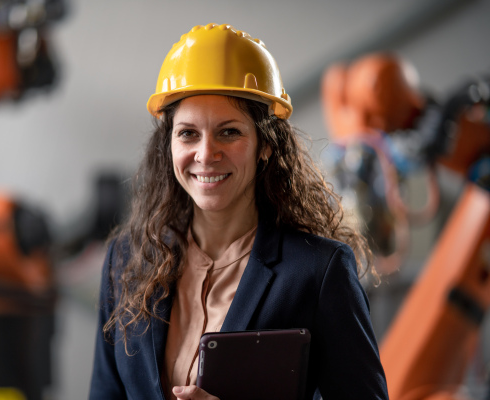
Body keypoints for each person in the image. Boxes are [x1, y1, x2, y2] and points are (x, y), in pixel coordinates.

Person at [89, 23, 389, 400]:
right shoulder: (126, 261)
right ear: (167, 144)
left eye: (229, 132)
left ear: (265, 144)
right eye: (188, 133)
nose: (205, 153)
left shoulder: (318, 271)